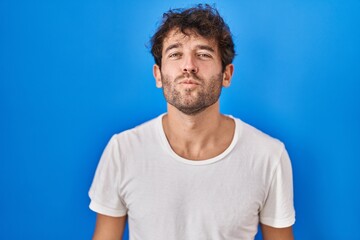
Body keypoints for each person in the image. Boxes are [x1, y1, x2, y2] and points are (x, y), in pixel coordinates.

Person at [89, 4, 295, 240]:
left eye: (203, 54)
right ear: (158, 75)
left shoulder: (268, 156)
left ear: (226, 75)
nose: (188, 65)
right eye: (175, 54)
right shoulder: (122, 150)